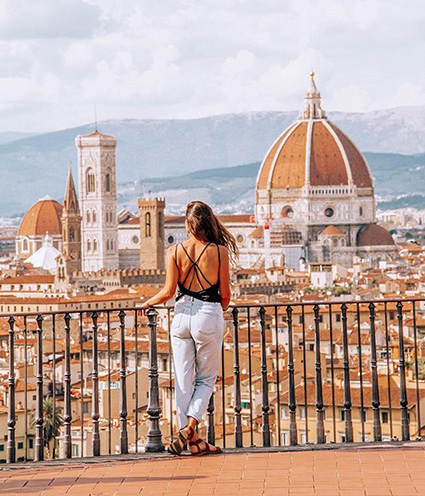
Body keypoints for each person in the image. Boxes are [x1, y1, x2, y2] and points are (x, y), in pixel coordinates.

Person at [140, 200, 238, 455]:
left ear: (188, 224)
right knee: (206, 379)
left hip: (181, 316)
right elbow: (225, 295)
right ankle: (191, 426)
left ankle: (192, 442)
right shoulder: (219, 252)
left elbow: (168, 292)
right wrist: (218, 311)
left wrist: (148, 302)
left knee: (183, 382)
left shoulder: (175, 251)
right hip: (207, 314)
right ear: (208, 222)